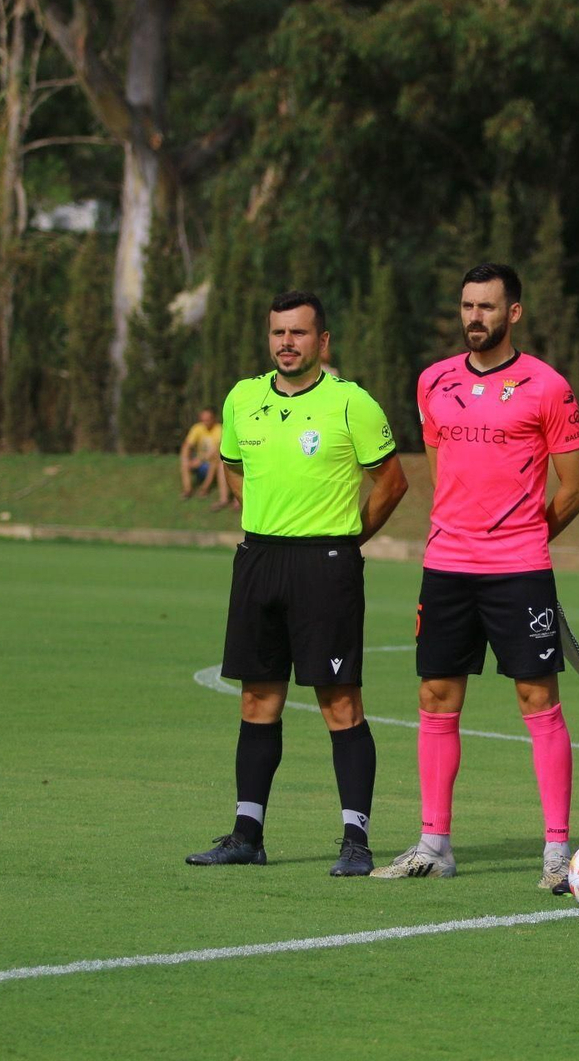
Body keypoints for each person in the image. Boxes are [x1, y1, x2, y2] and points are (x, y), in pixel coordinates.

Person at [374, 263, 579, 888]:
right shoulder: (433, 381)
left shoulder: (547, 386)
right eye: (468, 306)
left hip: (519, 570)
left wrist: (522, 536)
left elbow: (576, 486)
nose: (475, 317)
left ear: (514, 313)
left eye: (488, 307)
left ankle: (556, 852)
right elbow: (446, 471)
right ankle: (434, 844)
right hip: (446, 565)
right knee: (436, 699)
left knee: (538, 699)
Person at [186, 290, 408, 876]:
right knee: (258, 699)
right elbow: (233, 469)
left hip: (325, 565)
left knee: (339, 702)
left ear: (322, 341)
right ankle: (247, 834)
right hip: (259, 560)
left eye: (299, 333)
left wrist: (349, 539)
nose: (287, 343)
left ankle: (355, 841)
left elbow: (392, 481)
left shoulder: (350, 403)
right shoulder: (242, 400)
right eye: (279, 333)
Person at [179, 407, 223, 500]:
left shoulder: (219, 429)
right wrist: (186, 458)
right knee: (184, 460)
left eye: (208, 419)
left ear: (213, 418)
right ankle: (187, 490)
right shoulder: (197, 428)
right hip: (199, 459)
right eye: (203, 420)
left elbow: (217, 450)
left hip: (212, 461)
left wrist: (201, 459)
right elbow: (187, 445)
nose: (205, 422)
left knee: (215, 459)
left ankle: (205, 488)